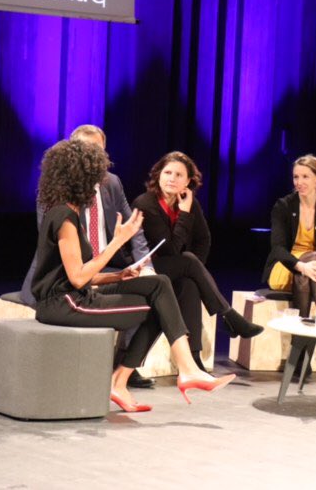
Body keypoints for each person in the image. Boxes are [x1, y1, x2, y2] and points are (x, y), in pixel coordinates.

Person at [31, 139, 235, 412]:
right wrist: (118, 241)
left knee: (158, 285)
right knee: (160, 307)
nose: (99, 184)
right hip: (65, 304)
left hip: (74, 295)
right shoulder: (64, 217)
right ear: (80, 178)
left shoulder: (71, 212)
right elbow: (78, 279)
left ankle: (176, 371)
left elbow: (77, 277)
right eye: (95, 177)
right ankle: (139, 377)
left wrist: (120, 276)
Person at [20, 125, 156, 389]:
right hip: (64, 278)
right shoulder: (57, 197)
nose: (96, 160)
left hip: (103, 266)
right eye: (89, 152)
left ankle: (126, 366)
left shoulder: (111, 182)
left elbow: (133, 228)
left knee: (156, 286)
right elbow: (65, 258)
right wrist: (113, 246)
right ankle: (110, 374)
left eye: (100, 153)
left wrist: (142, 265)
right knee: (151, 306)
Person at [132, 151, 263, 370]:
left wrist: (194, 272)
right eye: (167, 173)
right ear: (158, 175)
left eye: (179, 175)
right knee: (187, 260)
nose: (172, 178)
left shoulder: (189, 202)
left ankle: (194, 361)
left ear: (188, 181)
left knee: (190, 285)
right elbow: (169, 249)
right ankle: (229, 316)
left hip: (174, 268)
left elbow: (204, 239)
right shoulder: (146, 204)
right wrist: (184, 215)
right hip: (146, 269)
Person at [262, 155, 316, 318]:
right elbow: (278, 249)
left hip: (314, 271)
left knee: (312, 265)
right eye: (296, 177)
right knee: (314, 258)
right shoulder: (283, 206)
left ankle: (301, 328)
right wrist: (303, 266)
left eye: (305, 176)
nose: (299, 182)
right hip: (286, 266)